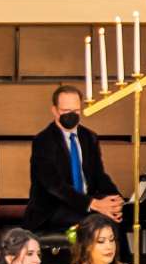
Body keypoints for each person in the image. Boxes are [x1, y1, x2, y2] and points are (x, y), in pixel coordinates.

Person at [23, 82, 125, 246]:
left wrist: (115, 199)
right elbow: (54, 186)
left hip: (85, 203)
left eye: (76, 111)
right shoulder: (43, 141)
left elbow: (99, 175)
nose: (71, 115)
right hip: (54, 209)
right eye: (65, 111)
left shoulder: (89, 137)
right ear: (54, 111)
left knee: (117, 216)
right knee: (99, 220)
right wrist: (93, 204)